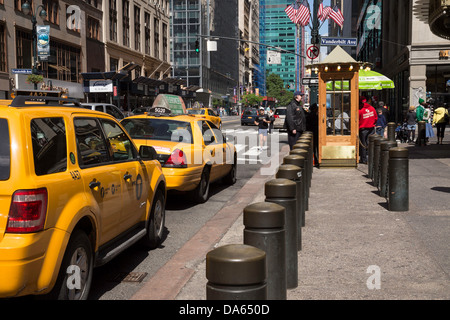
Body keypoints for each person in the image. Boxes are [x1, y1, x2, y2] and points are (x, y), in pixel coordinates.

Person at [359, 96, 378, 164]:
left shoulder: (360, 110)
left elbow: (357, 120)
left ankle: (364, 159)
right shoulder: (372, 108)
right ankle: (370, 158)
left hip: (363, 129)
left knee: (363, 145)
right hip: (371, 128)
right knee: (370, 143)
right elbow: (376, 118)